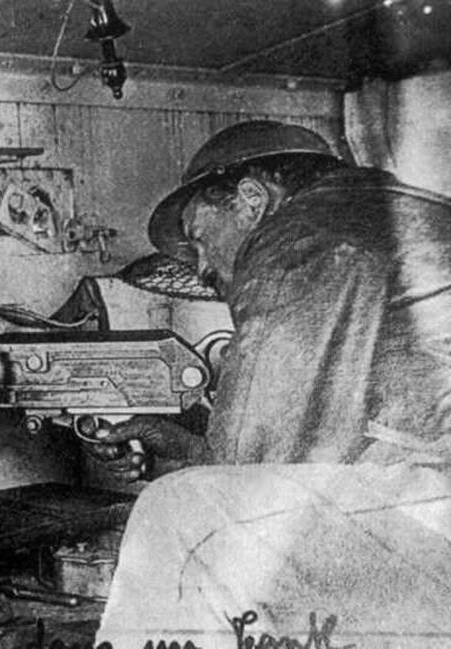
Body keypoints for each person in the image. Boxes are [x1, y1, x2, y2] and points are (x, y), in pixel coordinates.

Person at [95, 120, 451, 649]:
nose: (201, 269)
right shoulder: (403, 209)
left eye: (199, 239)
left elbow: (250, 460)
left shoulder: (297, 238)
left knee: (177, 511)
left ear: (253, 198)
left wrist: (192, 464)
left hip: (434, 514)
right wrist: (185, 445)